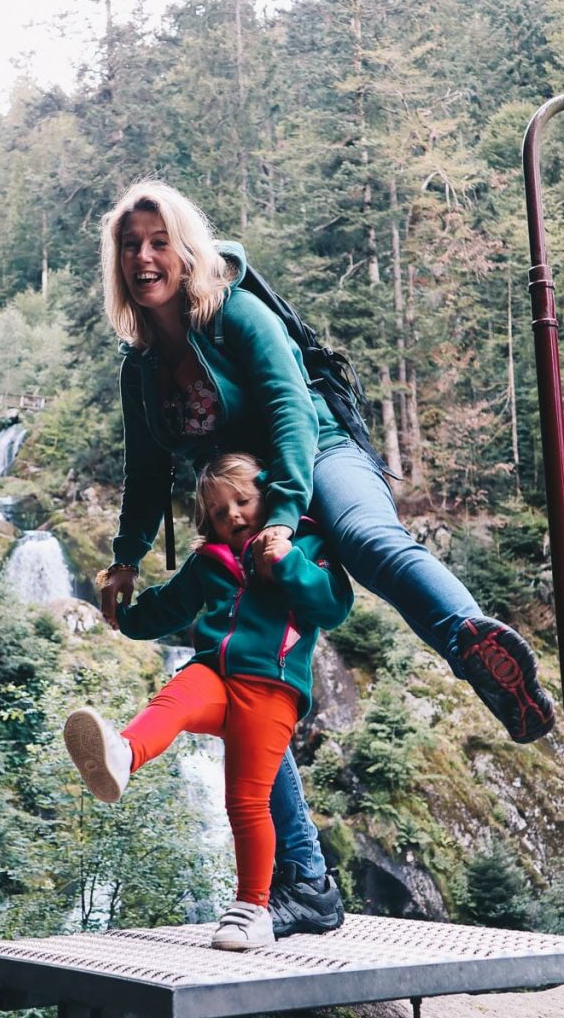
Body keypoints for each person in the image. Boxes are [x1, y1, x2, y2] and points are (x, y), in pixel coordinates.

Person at [96, 179, 556, 938]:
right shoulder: (140, 365)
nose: (144, 256)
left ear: (185, 249)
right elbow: (147, 472)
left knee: (368, 541)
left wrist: (280, 519)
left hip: (316, 452)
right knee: (245, 676)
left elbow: (285, 411)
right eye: (129, 245)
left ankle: (471, 643)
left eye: (157, 240)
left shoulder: (235, 312)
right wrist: (124, 561)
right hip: (237, 499)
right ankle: (306, 883)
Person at [64, 453, 353, 950]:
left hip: (271, 687)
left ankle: (253, 910)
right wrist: (125, 618)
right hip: (217, 674)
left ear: (270, 499)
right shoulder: (208, 562)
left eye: (243, 501)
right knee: (172, 698)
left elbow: (333, 604)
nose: (234, 515)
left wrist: (288, 563)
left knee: (245, 802)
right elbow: (171, 606)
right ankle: (122, 755)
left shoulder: (304, 545)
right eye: (220, 512)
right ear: (208, 522)